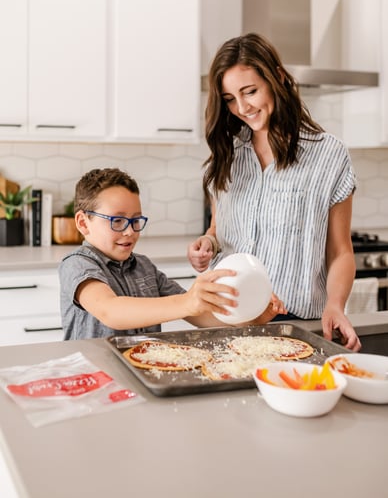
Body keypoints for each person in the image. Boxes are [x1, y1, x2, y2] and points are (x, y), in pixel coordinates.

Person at [188, 33, 361, 352]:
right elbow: (219, 229)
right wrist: (207, 244)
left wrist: (335, 305)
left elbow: (340, 252)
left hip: (294, 324)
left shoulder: (328, 155)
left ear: (277, 78)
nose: (241, 107)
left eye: (250, 91)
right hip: (225, 317)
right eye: (229, 98)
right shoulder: (228, 155)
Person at [59, 167, 286, 340]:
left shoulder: (144, 267)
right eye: (117, 221)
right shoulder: (77, 265)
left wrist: (250, 317)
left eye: (136, 220)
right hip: (94, 379)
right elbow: (110, 311)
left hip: (140, 371)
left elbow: (201, 316)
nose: (130, 231)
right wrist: (189, 300)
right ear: (83, 222)